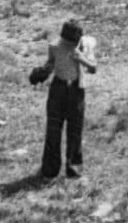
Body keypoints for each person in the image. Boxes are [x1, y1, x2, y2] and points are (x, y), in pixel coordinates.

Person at [35, 19, 96, 180]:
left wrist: (80, 58)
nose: (69, 45)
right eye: (67, 42)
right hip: (58, 89)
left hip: (76, 90)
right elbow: (50, 64)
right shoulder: (55, 46)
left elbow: (93, 67)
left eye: (72, 43)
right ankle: (50, 170)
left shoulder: (83, 45)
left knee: (75, 131)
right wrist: (42, 73)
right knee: (53, 130)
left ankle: (74, 169)